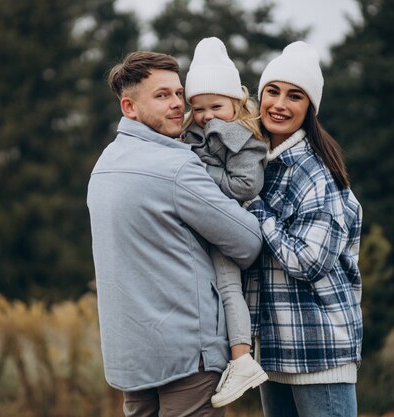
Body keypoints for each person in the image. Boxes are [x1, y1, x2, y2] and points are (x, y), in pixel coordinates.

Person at [87, 50, 263, 417]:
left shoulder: (104, 165)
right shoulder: (178, 165)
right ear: (129, 107)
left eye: (178, 94)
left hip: (130, 359)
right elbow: (247, 243)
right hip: (187, 355)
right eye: (162, 95)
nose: (176, 105)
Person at [243, 41, 364, 417]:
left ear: (309, 108)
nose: (279, 104)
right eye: (272, 91)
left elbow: (310, 261)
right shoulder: (260, 165)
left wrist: (255, 208)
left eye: (294, 96)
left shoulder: (316, 174)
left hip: (318, 351)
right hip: (275, 349)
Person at [181, 37, 268, 408]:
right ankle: (221, 356)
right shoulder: (193, 133)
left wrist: (201, 170)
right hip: (201, 224)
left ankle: (241, 358)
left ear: (236, 102)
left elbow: (246, 185)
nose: (206, 116)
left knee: (230, 288)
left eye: (215, 106)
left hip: (230, 224)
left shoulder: (243, 137)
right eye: (198, 108)